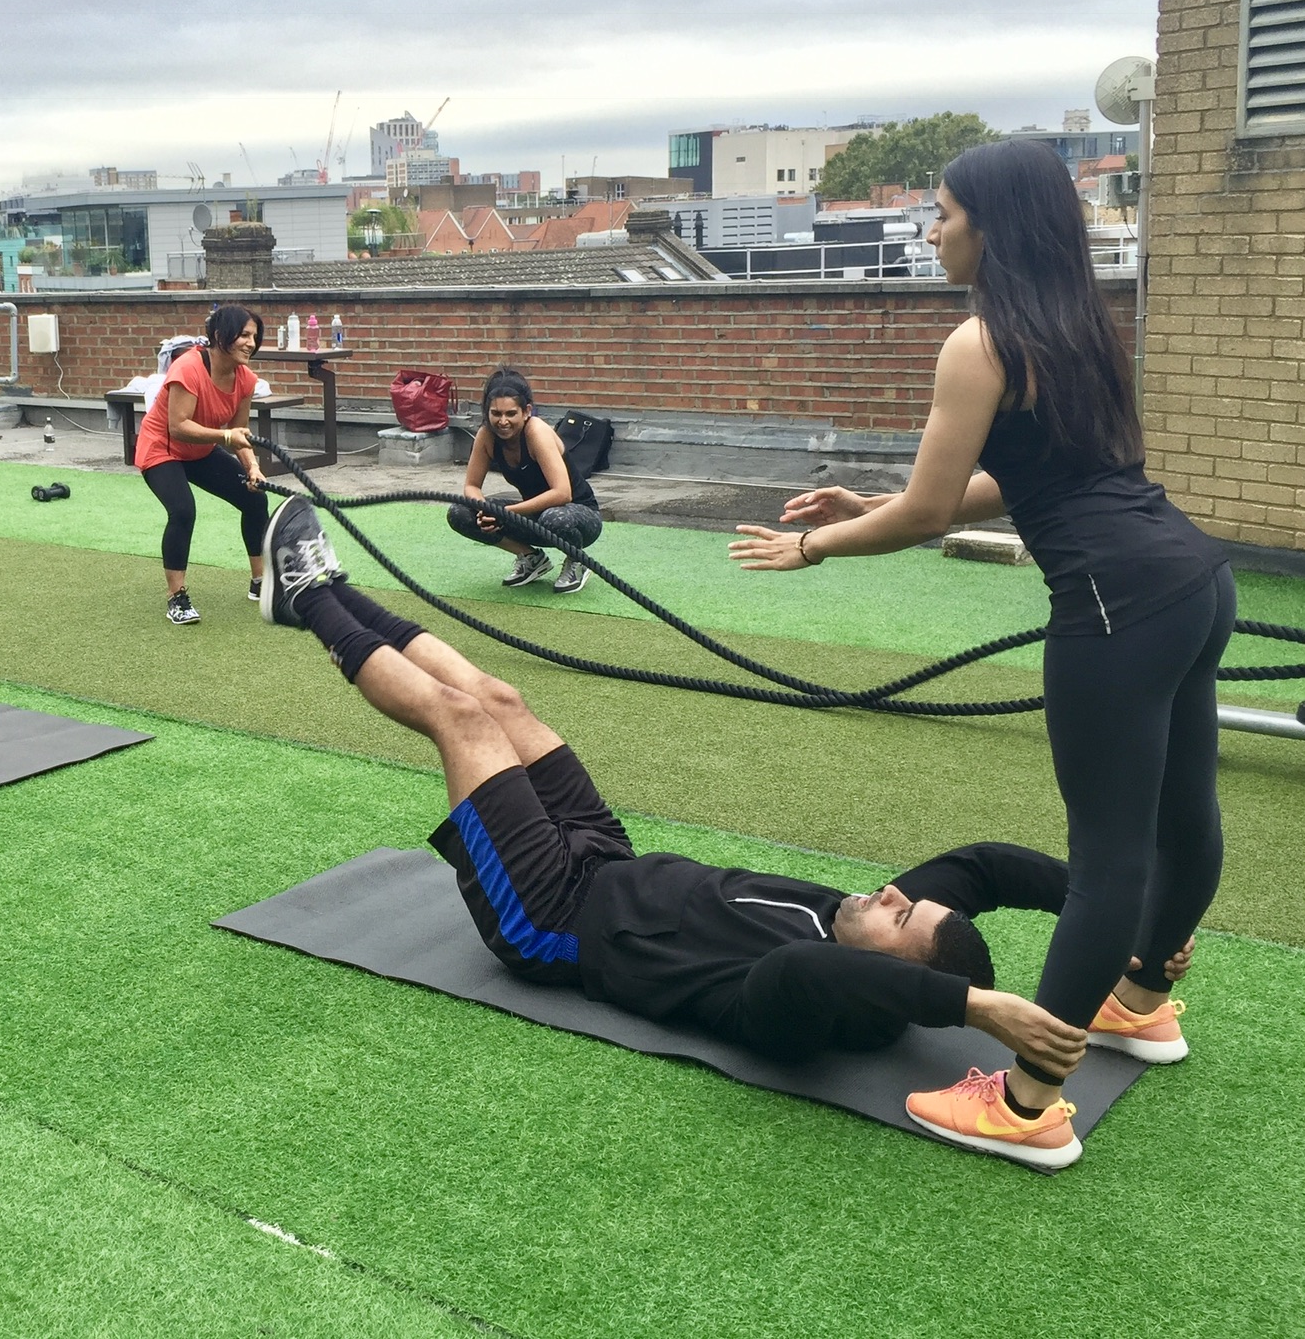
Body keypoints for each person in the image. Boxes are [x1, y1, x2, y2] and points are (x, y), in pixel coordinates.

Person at [257, 495, 1192, 1169]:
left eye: (903, 918)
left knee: (459, 725)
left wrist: (977, 1012)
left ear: (892, 981)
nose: (895, 892)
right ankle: (334, 590)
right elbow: (981, 867)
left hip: (551, 916)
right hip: (607, 850)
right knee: (500, 699)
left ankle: (307, 601)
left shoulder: (793, 1014)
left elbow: (802, 970)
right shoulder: (859, 918)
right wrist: (1132, 914)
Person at [727, 139, 1231, 1158]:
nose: (933, 229)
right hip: (1190, 579)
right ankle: (1137, 999)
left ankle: (1029, 1103)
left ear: (991, 227)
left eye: (944, 213)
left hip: (1110, 611)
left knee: (1108, 859)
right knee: (1184, 819)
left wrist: (816, 543)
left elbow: (926, 513)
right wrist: (880, 506)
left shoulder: (978, 341)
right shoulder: (1081, 324)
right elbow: (1035, 480)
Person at [132, 304, 270, 625]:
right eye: (244, 335)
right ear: (220, 336)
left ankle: (260, 582)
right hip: (162, 449)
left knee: (255, 497)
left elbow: (240, 433)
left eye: (254, 336)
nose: (250, 343)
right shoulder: (189, 368)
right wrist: (225, 437)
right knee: (182, 510)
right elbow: (178, 425)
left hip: (201, 451)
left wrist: (252, 467)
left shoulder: (245, 380)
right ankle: (176, 598)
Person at [447, 367, 601, 595]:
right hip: (534, 515)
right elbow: (472, 486)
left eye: (511, 414)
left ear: (526, 411)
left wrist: (506, 512)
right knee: (460, 511)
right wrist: (482, 508)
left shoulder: (537, 432)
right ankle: (531, 558)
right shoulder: (486, 435)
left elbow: (562, 494)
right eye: (495, 414)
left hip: (577, 515)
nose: (502, 421)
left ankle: (577, 560)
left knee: (554, 517)